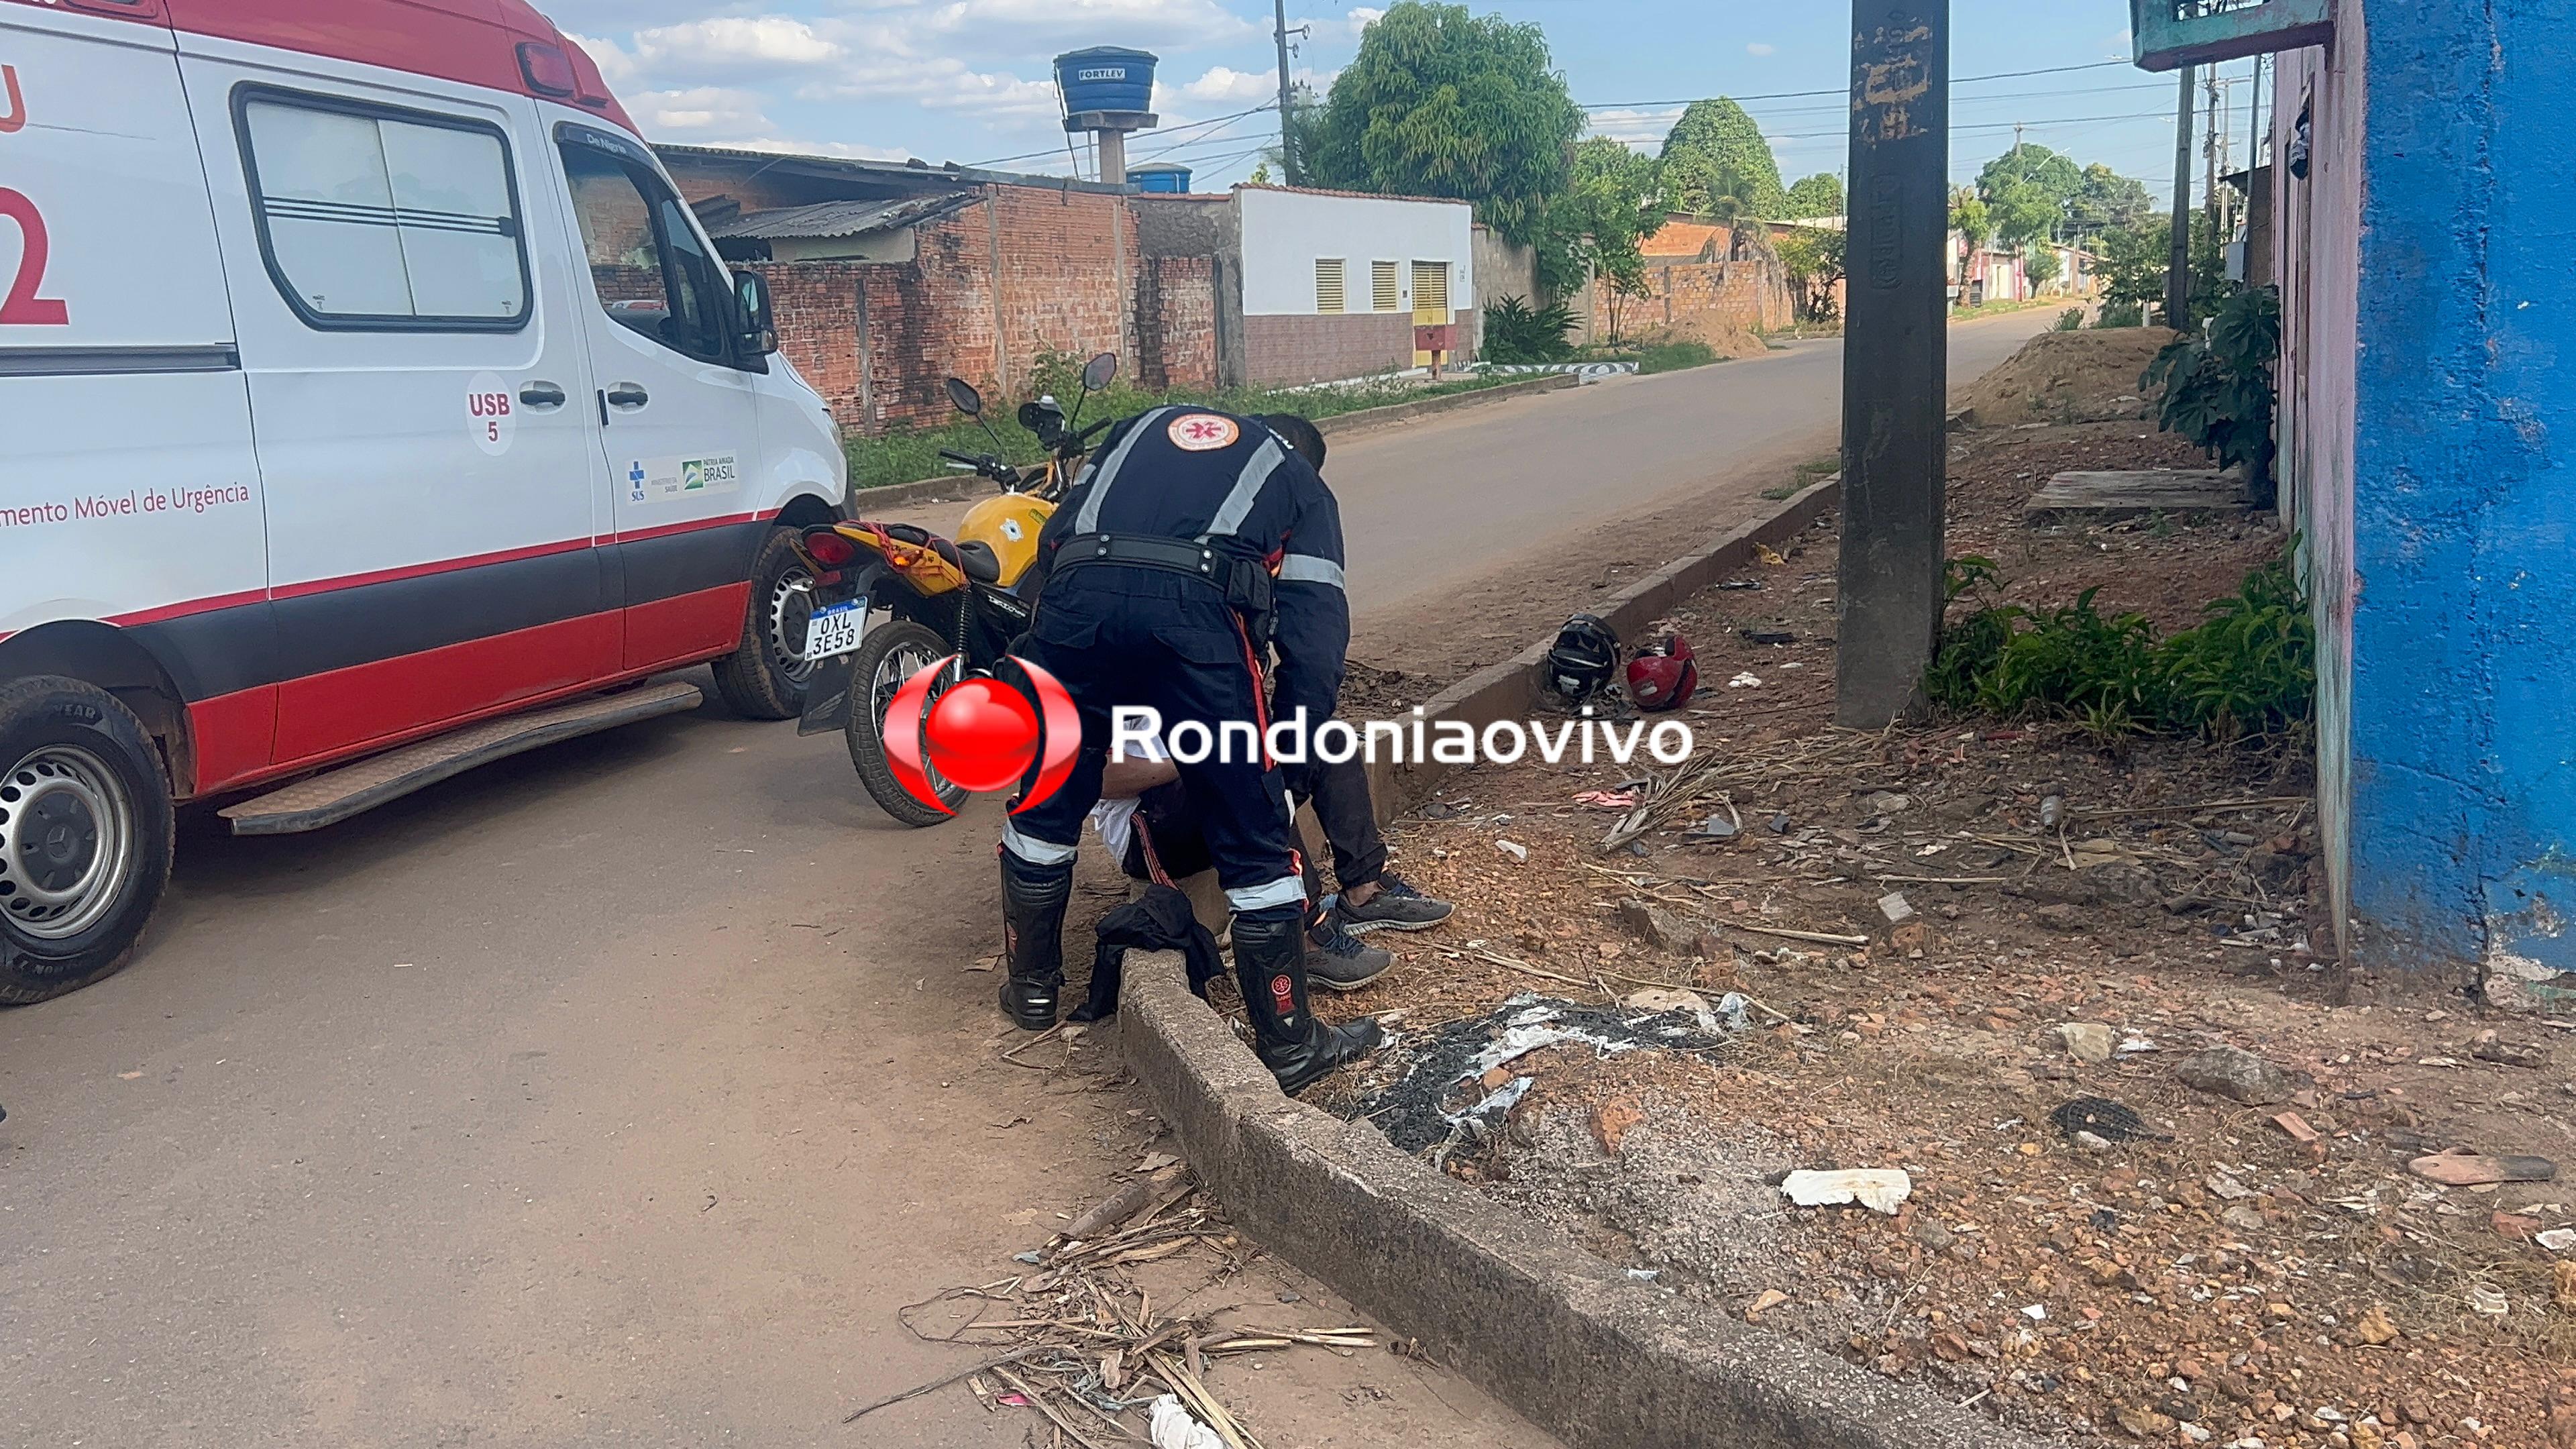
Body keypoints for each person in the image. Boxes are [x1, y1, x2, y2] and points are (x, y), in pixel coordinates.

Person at [996, 405, 1379, 1095]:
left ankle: (1031, 990)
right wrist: (1286, 760)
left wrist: (1058, 636)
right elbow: (1315, 641)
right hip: (1195, 615)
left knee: (1045, 801)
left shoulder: (1141, 425)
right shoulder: (1301, 483)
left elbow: (1058, 536)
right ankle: (1291, 1046)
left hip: (1074, 601)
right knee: (1255, 838)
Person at [1245, 415, 1451, 941]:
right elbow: (1103, 769)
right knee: (1252, 768)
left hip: (1196, 754)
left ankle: (1364, 890)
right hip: (1155, 811)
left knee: (1322, 737)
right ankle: (1307, 930)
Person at [1089, 734, 1393, 989]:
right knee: (1244, 770)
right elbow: (1099, 777)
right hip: (1146, 825)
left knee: (1323, 737)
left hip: (1203, 788)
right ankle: (1306, 936)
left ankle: (1364, 888)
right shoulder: (1111, 672)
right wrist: (1197, 759)